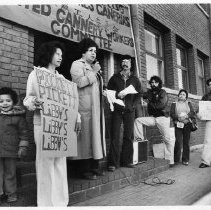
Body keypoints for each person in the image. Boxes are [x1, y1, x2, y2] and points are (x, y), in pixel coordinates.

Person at [23, 41, 81, 206]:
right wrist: (36, 102)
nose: (61, 58)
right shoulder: (36, 75)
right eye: (58, 54)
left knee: (60, 164)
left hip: (60, 127)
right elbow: (27, 99)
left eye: (62, 55)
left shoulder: (61, 78)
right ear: (48, 54)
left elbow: (69, 103)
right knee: (45, 165)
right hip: (42, 124)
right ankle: (46, 205)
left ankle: (61, 203)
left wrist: (77, 117)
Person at [70, 38, 106, 180]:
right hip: (84, 108)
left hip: (96, 109)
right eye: (91, 50)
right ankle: (83, 170)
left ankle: (94, 166)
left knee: (95, 138)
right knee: (84, 139)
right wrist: (94, 72)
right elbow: (79, 83)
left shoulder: (93, 67)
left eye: (95, 51)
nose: (93, 53)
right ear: (83, 52)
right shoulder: (76, 65)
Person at [106, 55, 142, 172]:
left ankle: (126, 161)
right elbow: (109, 92)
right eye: (123, 61)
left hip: (129, 110)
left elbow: (139, 95)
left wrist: (133, 106)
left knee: (128, 136)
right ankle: (113, 163)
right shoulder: (114, 78)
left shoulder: (135, 79)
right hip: (117, 109)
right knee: (115, 135)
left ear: (131, 64)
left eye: (127, 61)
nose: (125, 63)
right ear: (121, 64)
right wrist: (117, 95)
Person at [134, 75, 175, 166]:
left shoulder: (162, 92)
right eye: (152, 82)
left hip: (163, 118)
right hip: (153, 118)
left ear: (159, 83)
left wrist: (148, 103)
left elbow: (161, 105)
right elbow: (141, 93)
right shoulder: (150, 92)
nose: (153, 84)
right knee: (138, 121)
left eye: (155, 82)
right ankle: (140, 140)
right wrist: (138, 82)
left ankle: (170, 160)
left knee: (167, 139)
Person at [0, 87, 29, 203]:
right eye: (1, 101)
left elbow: (24, 133)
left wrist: (23, 146)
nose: (4, 103)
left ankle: (11, 193)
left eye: (8, 100)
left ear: (13, 102)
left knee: (10, 173)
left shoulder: (18, 117)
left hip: (11, 150)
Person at [170, 89, 196, 166]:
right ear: (178, 95)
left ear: (186, 97)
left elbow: (192, 112)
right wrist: (178, 118)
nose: (181, 95)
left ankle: (185, 159)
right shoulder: (174, 103)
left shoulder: (188, 103)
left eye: (183, 94)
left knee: (186, 142)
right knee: (178, 141)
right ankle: (176, 159)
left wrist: (186, 117)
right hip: (178, 124)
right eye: (180, 94)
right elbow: (172, 113)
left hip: (187, 124)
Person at [197, 78, 211, 168]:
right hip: (210, 120)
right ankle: (205, 161)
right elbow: (200, 109)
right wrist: (199, 114)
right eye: (209, 84)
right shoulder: (206, 96)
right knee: (208, 140)